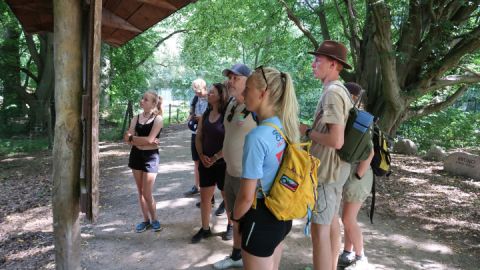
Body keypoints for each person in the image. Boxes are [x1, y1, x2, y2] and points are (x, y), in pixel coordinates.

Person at [232, 66, 299, 269]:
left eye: (248, 89)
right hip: (281, 215)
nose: (243, 94)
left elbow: (245, 197)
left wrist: (235, 218)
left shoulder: (257, 136)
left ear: (263, 93)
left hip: (260, 220)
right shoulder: (284, 126)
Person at [299, 40, 353, 270]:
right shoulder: (340, 90)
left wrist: (308, 132)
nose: (313, 64)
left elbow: (336, 140)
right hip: (335, 171)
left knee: (318, 230)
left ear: (333, 64)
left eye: (318, 60)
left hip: (325, 174)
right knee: (330, 223)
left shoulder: (332, 93)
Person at [213, 63, 254, 269]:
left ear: (248, 81)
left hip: (248, 176)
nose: (231, 81)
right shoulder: (231, 104)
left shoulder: (255, 107)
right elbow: (230, 137)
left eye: (236, 78)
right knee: (233, 217)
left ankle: (251, 260)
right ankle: (237, 255)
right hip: (230, 171)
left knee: (247, 219)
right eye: (230, 77)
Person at [338, 82, 374, 269]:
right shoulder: (355, 118)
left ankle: (361, 257)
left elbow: (370, 152)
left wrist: (357, 176)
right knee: (347, 217)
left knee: (347, 219)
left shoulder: (360, 120)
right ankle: (347, 252)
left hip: (358, 176)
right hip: (355, 174)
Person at [191, 83, 229, 243]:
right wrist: (201, 155)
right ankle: (205, 229)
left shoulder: (228, 114)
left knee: (228, 198)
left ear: (221, 95)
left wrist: (215, 157)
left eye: (212, 92)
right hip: (205, 162)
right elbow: (199, 136)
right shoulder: (206, 113)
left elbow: (231, 141)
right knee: (205, 197)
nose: (209, 94)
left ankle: (231, 227)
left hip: (223, 164)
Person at [124, 90, 164, 232]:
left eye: (146, 99)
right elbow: (127, 137)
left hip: (150, 157)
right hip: (136, 156)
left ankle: (155, 219)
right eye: (142, 98)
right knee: (140, 191)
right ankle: (145, 220)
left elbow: (148, 140)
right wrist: (141, 141)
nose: (142, 101)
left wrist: (135, 140)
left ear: (154, 103)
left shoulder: (158, 119)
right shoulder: (136, 117)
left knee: (147, 192)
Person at [185, 78, 208, 196]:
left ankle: (207, 189)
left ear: (205, 87)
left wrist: (202, 118)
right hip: (195, 134)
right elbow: (191, 112)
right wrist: (190, 117)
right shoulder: (194, 99)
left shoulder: (211, 99)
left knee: (205, 161)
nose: (197, 93)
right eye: (195, 91)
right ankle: (197, 186)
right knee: (196, 161)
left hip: (207, 134)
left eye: (198, 91)